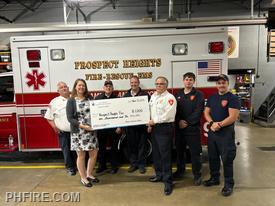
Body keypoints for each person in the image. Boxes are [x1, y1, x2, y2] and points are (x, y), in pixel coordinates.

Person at [203, 74, 240, 197]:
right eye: (219, 83)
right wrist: (212, 123)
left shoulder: (233, 98)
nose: (221, 85)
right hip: (213, 132)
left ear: (227, 84)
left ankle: (229, 184)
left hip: (226, 133)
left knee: (227, 159)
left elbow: (233, 117)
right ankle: (215, 178)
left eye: (223, 82)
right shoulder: (212, 97)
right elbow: (206, 112)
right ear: (216, 85)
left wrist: (219, 125)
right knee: (213, 157)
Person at [66, 79, 99, 188]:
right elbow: (70, 118)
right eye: (79, 85)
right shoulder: (71, 101)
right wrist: (82, 126)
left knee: (93, 154)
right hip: (78, 132)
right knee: (81, 155)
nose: (81, 87)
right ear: (75, 87)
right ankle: (83, 178)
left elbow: (96, 112)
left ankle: (89, 174)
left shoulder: (90, 98)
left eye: (83, 86)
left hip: (91, 131)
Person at [174, 72, 204, 185]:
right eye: (186, 79)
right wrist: (179, 121)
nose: (188, 81)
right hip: (180, 129)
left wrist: (187, 122)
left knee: (195, 153)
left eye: (190, 79)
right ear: (183, 81)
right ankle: (180, 171)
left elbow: (199, 110)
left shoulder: (199, 94)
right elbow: (174, 111)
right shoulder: (178, 94)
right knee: (179, 152)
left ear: (194, 81)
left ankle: (197, 175)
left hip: (192, 129)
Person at [148, 76, 177, 196]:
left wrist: (154, 121)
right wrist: (150, 123)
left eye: (161, 84)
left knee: (165, 155)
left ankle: (168, 182)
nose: (158, 86)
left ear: (166, 85)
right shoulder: (154, 96)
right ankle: (159, 175)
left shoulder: (170, 98)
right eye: (157, 84)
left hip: (164, 128)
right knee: (156, 154)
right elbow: (151, 111)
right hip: (154, 128)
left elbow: (169, 115)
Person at [44, 81, 76, 176]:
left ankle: (80, 167)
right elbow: (48, 117)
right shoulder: (54, 102)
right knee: (66, 151)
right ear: (58, 91)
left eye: (65, 86)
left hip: (76, 131)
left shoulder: (74, 98)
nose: (64, 88)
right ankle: (70, 168)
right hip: (63, 132)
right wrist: (55, 127)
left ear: (68, 88)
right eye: (61, 87)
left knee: (78, 151)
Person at [123, 76, 150, 174]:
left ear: (139, 83)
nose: (133, 84)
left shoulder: (145, 95)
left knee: (142, 146)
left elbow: (149, 110)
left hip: (142, 126)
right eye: (132, 83)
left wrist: (149, 125)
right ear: (130, 83)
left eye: (135, 82)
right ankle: (134, 164)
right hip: (130, 127)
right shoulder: (126, 96)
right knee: (131, 146)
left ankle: (142, 165)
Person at [95, 80, 120, 174]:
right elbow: (96, 114)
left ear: (112, 88)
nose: (108, 88)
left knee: (114, 148)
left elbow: (120, 113)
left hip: (114, 128)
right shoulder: (98, 99)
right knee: (101, 148)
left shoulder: (117, 99)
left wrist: (119, 127)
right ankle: (102, 166)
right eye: (106, 86)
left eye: (110, 86)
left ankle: (114, 166)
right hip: (102, 128)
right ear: (103, 88)